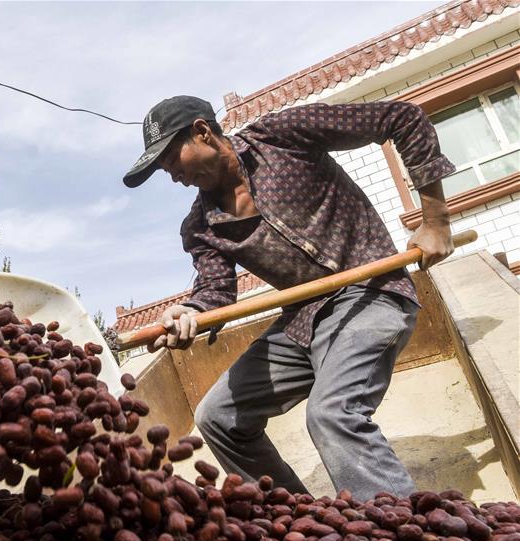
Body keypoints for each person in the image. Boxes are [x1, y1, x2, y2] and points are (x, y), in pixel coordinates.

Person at [123, 96, 455, 501]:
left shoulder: (281, 136)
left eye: (172, 161)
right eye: (165, 171)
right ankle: (299, 521)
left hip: (373, 294)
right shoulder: (199, 227)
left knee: (331, 414)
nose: (174, 177)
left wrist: (435, 220)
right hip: (303, 322)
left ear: (202, 132)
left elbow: (402, 118)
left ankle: (402, 532)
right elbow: (215, 292)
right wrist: (191, 311)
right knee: (217, 416)